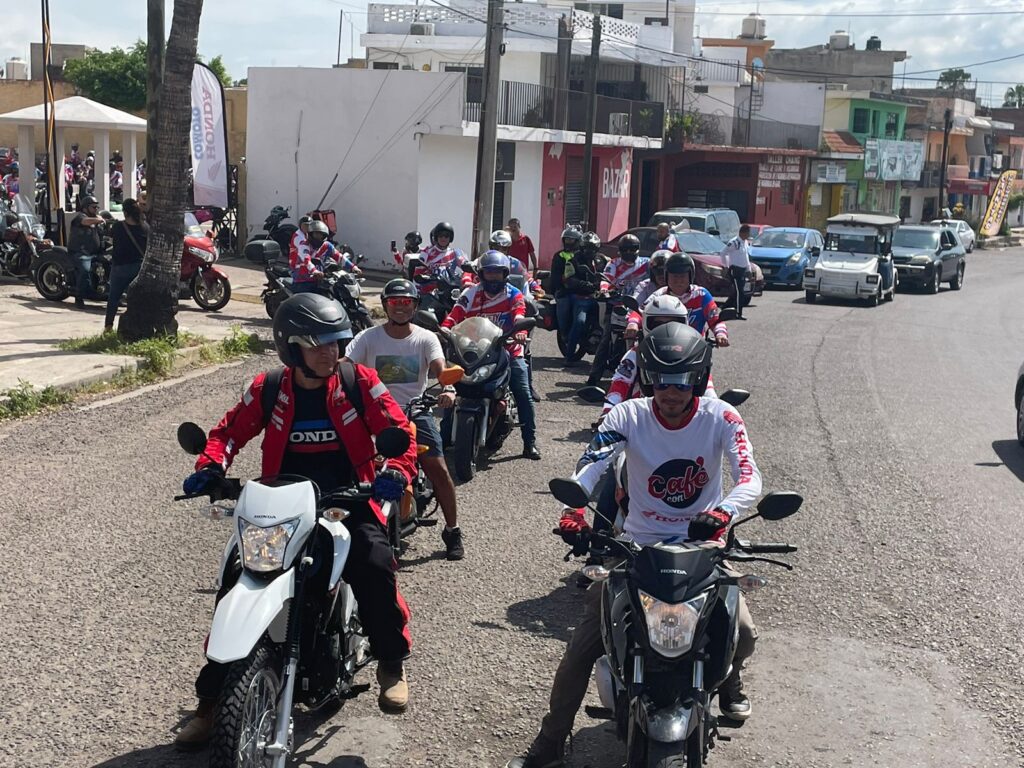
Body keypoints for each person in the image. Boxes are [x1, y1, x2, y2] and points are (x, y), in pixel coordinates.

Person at [506, 323, 762, 768]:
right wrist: (575, 507)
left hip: (704, 548)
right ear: (645, 376)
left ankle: (730, 679)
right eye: (660, 379)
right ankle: (549, 742)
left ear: (699, 377)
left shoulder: (722, 416)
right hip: (636, 548)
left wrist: (725, 512)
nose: (670, 391)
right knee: (583, 648)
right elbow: (593, 463)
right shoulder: (627, 415)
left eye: (681, 380)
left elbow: (749, 474)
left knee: (741, 632)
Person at [174, 294, 418, 750]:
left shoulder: (357, 381)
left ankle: (390, 661)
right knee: (236, 581)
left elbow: (400, 431)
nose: (333, 352)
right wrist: (210, 467)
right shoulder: (269, 387)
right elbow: (228, 432)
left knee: (373, 565)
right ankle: (210, 705)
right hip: (280, 501)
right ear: (291, 346)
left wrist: (396, 471)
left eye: (338, 342)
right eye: (320, 343)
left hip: (351, 497)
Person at [345, 278, 465, 560]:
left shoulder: (425, 338)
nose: (400, 307)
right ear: (386, 305)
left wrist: (447, 387)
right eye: (395, 302)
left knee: (438, 468)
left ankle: (453, 529)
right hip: (375, 413)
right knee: (350, 462)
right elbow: (346, 366)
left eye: (406, 302)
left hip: (416, 410)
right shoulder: (368, 338)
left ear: (414, 306)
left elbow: (439, 368)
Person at [440, 251, 540, 460]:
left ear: (505, 274)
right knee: (454, 387)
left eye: (497, 273)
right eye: (488, 272)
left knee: (522, 391)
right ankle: (444, 435)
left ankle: (529, 441)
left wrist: (520, 331)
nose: (493, 277)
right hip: (474, 351)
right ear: (481, 274)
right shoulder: (470, 293)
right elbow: (455, 313)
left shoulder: (514, 294)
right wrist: (444, 329)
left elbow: (519, 313)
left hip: (508, 348)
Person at [586, 233, 649, 386]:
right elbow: (605, 279)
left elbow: (659, 274)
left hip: (642, 307)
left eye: (632, 249)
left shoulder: (646, 263)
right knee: (605, 339)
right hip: (617, 304)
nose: (629, 252)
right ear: (620, 250)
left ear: (638, 249)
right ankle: (594, 377)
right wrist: (604, 289)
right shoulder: (613, 264)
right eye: (625, 249)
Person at [548, 230, 602, 361]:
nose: (590, 251)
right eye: (587, 248)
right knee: (579, 321)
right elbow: (567, 278)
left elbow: (610, 274)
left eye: (592, 248)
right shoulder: (572, 260)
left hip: (598, 296)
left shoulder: (601, 260)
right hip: (578, 295)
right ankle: (569, 352)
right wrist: (583, 284)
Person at [104, 198, 148, 332]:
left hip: (120, 267)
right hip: (138, 267)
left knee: (114, 298)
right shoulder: (145, 227)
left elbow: (112, 242)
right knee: (137, 299)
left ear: (125, 212)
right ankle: (139, 326)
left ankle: (108, 327)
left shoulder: (118, 227)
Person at [411, 221, 472, 295]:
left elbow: (466, 267)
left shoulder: (456, 252)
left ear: (450, 238)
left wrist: (466, 281)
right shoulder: (426, 252)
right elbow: (418, 272)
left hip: (450, 292)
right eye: (440, 236)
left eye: (446, 236)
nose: (443, 238)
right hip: (430, 293)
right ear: (436, 237)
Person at [68, 195, 106, 308]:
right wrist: (99, 219)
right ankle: (79, 296)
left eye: (97, 207)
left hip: (95, 253)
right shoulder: (80, 217)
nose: (96, 209)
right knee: (85, 270)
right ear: (85, 208)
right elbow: (85, 221)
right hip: (81, 253)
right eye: (93, 207)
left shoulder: (96, 219)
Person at [721, 224, 752, 319]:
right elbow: (723, 253)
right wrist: (726, 266)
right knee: (740, 292)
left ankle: (725, 307)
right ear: (743, 233)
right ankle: (739, 313)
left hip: (742, 270)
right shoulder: (734, 242)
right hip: (735, 270)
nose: (749, 235)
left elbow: (745, 257)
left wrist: (749, 269)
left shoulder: (745, 242)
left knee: (737, 292)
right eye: (748, 233)